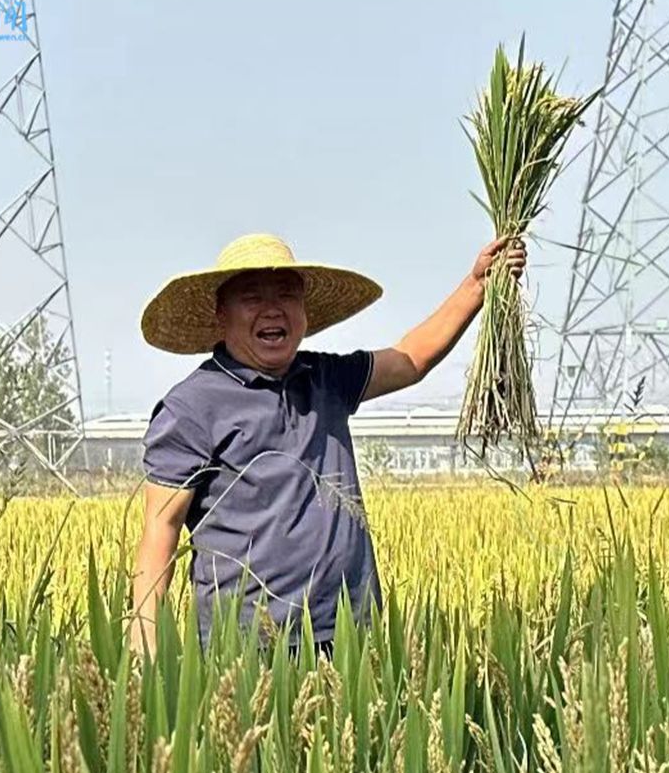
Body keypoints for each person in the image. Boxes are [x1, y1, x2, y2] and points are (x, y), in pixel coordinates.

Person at [128, 231, 526, 656]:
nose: (272, 309)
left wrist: (477, 285)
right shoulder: (191, 406)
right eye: (252, 297)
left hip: (350, 632)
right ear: (221, 315)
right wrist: (144, 646)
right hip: (249, 646)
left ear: (304, 312)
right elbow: (161, 528)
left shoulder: (326, 378)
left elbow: (412, 360)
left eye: (287, 295)